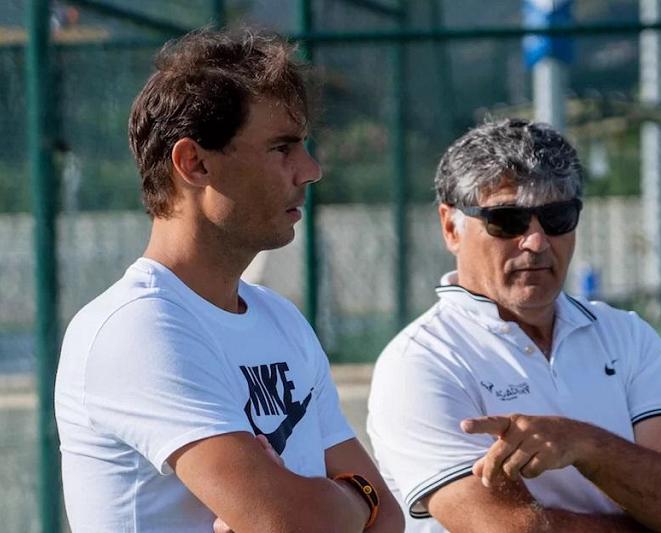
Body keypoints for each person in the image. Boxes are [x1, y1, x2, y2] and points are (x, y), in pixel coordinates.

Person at [55, 28, 403, 533]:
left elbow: (388, 517)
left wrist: (350, 499)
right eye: (282, 147)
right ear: (194, 163)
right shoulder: (137, 329)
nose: (310, 170)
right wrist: (353, 498)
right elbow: (292, 522)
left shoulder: (280, 318)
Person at [367, 119, 661, 532]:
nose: (536, 242)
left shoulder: (626, 335)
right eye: (506, 220)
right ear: (451, 227)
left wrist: (585, 444)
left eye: (557, 217)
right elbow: (513, 530)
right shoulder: (420, 362)